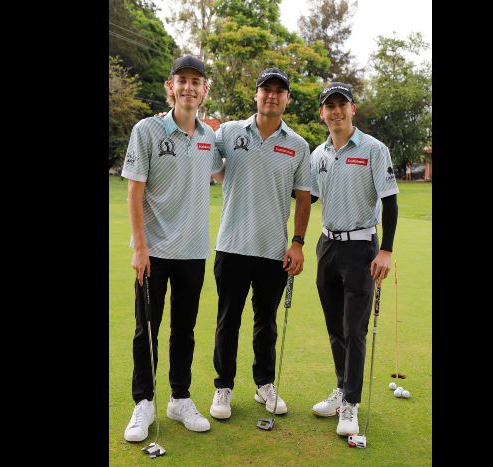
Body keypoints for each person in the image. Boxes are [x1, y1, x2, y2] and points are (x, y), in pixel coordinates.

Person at [120, 55, 223, 442]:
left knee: (184, 330)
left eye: (196, 82)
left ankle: (180, 398)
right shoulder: (147, 130)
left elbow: (227, 172)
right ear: (171, 86)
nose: (189, 88)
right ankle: (143, 402)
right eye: (182, 80)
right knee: (146, 328)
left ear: (204, 90)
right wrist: (139, 247)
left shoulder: (210, 138)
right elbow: (135, 190)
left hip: (193, 251)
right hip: (153, 251)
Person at [207, 67, 312, 420]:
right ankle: (223, 386)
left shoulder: (298, 145)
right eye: (266, 89)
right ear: (256, 94)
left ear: (287, 99)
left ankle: (264, 382)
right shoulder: (229, 132)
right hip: (232, 244)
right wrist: (172, 119)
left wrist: (297, 242)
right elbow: (201, 149)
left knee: (266, 322)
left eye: (279, 90)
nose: (272, 95)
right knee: (228, 320)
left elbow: (303, 197)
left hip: (273, 249)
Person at [308, 82, 398, 436]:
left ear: (352, 109)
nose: (336, 111)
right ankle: (342, 387)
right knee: (335, 327)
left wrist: (386, 250)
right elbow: (309, 197)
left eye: (341, 104)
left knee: (354, 330)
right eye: (329, 106)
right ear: (322, 113)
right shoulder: (318, 154)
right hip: (327, 246)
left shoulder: (374, 149)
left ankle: (351, 404)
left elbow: (390, 201)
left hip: (362, 248)